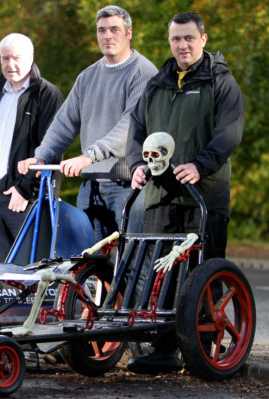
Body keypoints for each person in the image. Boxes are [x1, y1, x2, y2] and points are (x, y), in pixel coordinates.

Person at [125, 12, 244, 373]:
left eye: (189, 38)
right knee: (164, 275)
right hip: (160, 197)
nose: (182, 45)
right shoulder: (156, 83)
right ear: (169, 41)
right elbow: (136, 130)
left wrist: (200, 165)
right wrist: (135, 166)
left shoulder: (220, 82)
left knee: (202, 276)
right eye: (176, 39)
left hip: (203, 196)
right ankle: (163, 351)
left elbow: (229, 133)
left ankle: (203, 353)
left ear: (203, 39)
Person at [18, 5, 157, 243]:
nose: (107, 36)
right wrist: (42, 156)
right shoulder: (87, 76)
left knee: (131, 266)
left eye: (114, 29)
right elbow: (64, 123)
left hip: (128, 185)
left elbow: (130, 127)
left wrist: (88, 156)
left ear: (129, 33)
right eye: (101, 30)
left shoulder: (143, 72)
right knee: (86, 264)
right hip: (91, 186)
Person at [0, 33, 64, 263]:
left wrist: (25, 189)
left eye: (17, 58)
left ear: (31, 58)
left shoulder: (48, 95)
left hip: (28, 202)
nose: (11, 64)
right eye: (5, 58)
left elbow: (52, 150)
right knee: (0, 281)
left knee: (32, 278)